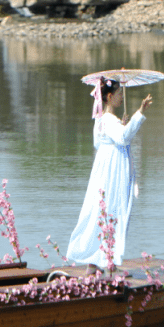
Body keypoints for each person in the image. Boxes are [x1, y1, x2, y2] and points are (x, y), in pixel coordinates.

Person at [66, 78, 153, 272]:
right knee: (113, 209)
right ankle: (108, 263)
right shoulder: (108, 119)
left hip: (105, 167)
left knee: (102, 210)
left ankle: (96, 263)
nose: (122, 97)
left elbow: (101, 142)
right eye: (119, 94)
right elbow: (123, 137)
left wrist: (121, 125)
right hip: (113, 171)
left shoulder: (101, 120)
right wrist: (140, 113)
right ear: (110, 96)